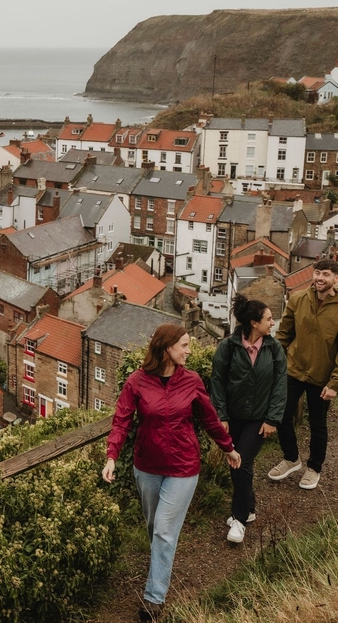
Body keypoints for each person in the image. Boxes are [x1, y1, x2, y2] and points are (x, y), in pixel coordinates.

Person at [102, 324, 240, 622]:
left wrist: (228, 447)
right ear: (167, 348)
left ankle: (154, 598)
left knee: (164, 530)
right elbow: (121, 420)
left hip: (183, 466)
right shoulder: (137, 382)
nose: (189, 351)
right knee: (156, 529)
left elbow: (209, 419)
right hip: (147, 467)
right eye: (185, 346)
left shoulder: (191, 381)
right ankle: (161, 568)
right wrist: (112, 456)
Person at [210, 295, 287, 543]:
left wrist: (272, 419)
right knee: (236, 465)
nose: (272, 323)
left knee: (241, 463)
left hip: (259, 419)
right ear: (254, 323)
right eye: (268, 319)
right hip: (232, 418)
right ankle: (250, 507)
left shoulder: (274, 349)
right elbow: (217, 383)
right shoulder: (228, 347)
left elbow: (279, 385)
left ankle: (239, 520)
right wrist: (221, 415)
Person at [269, 258, 338, 490]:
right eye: (317, 273)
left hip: (322, 376)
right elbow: (284, 336)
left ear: (335, 278)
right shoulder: (298, 299)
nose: (320, 278)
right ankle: (291, 458)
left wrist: (335, 383)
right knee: (281, 415)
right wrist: (272, 363)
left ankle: (314, 468)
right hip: (293, 370)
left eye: (326, 274)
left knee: (318, 424)